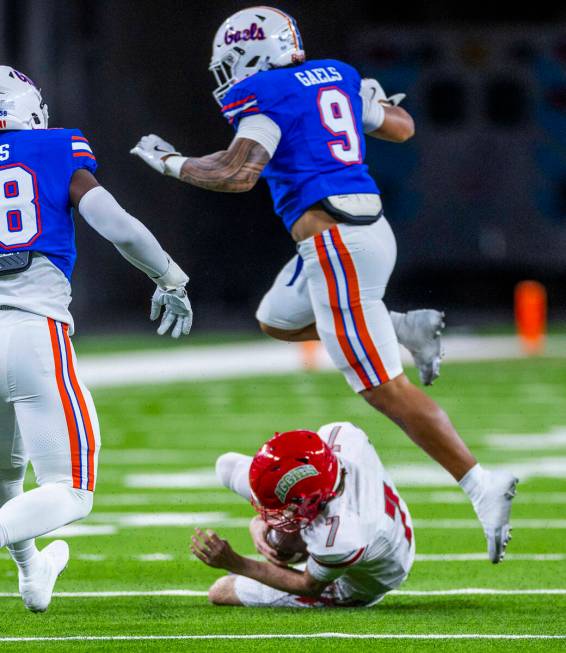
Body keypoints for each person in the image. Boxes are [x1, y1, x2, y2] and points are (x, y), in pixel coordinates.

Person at [131, 6, 517, 562]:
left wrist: (171, 163)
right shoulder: (334, 74)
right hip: (366, 232)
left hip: (336, 246)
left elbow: (239, 173)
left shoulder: (266, 93)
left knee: (382, 388)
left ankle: (482, 485)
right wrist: (379, 102)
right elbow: (403, 129)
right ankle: (401, 326)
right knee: (277, 319)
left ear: (250, 55)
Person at [0, 66, 192, 612]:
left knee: (7, 479)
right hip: (32, 331)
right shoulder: (56, 148)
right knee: (71, 490)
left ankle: (32, 572)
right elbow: (119, 225)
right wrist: (170, 277)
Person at [191, 423, 415, 608]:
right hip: (384, 524)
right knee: (280, 541)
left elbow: (308, 585)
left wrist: (237, 563)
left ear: (312, 500)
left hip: (371, 578)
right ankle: (297, 548)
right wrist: (259, 522)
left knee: (221, 590)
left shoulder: (343, 535)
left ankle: (327, 570)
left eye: (285, 508)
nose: (275, 516)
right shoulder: (340, 435)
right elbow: (227, 466)